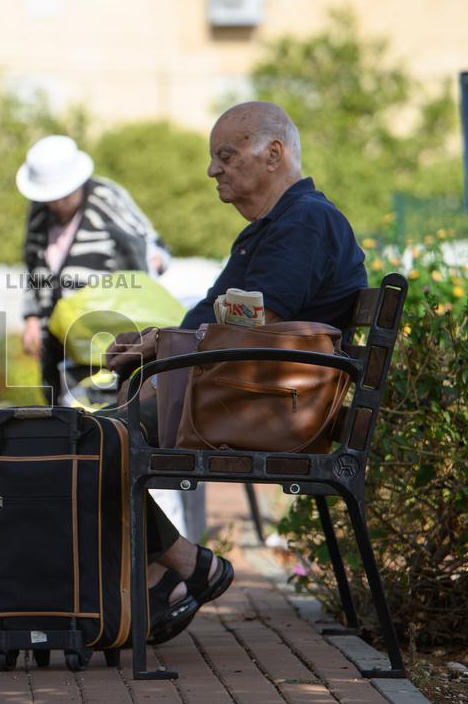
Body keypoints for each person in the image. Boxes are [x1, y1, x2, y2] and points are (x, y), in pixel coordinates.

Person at [104, 100, 368, 642]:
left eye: (225, 155)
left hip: (266, 407)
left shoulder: (307, 222)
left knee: (92, 443)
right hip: (245, 397)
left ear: (273, 154)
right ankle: (169, 571)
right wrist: (152, 343)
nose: (212, 171)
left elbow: (255, 321)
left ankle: (177, 567)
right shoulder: (271, 228)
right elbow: (211, 316)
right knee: (85, 439)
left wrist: (165, 347)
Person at [16, 135, 165, 404]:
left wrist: (148, 268)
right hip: (56, 332)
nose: (57, 203)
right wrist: (31, 319)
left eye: (63, 195)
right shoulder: (38, 212)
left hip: (103, 330)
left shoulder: (107, 197)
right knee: (58, 405)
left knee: (100, 408)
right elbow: (32, 266)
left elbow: (151, 248)